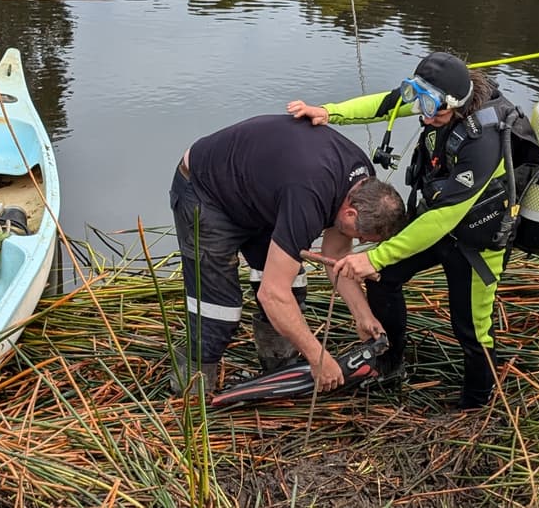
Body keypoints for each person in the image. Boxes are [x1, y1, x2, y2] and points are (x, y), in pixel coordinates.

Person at [287, 51, 539, 409]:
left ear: (456, 104)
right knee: (383, 279)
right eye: (420, 102)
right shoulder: (436, 102)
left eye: (433, 109)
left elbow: (445, 218)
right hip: (428, 223)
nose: (424, 114)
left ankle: (476, 404)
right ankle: (391, 364)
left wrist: (376, 255)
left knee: (471, 328)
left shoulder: (482, 141)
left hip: (474, 242)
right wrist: (329, 112)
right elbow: (387, 104)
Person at [169, 114, 408, 394]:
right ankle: (190, 396)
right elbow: (271, 294)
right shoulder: (309, 194)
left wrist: (362, 314)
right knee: (218, 313)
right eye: (359, 237)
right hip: (206, 193)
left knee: (292, 289)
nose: (355, 242)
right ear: (350, 212)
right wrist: (317, 357)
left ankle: (279, 373)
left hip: (258, 198)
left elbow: (336, 251)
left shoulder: (362, 182)